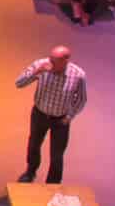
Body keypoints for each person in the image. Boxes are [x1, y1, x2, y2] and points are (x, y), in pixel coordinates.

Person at [15, 45, 89, 184]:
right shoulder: (41, 65)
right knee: (34, 145)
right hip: (40, 114)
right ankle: (30, 172)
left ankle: (53, 182)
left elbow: (81, 99)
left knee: (57, 153)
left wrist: (69, 117)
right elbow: (18, 83)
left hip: (61, 120)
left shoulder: (78, 75)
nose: (50, 63)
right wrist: (37, 72)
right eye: (50, 59)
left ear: (65, 61)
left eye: (54, 61)